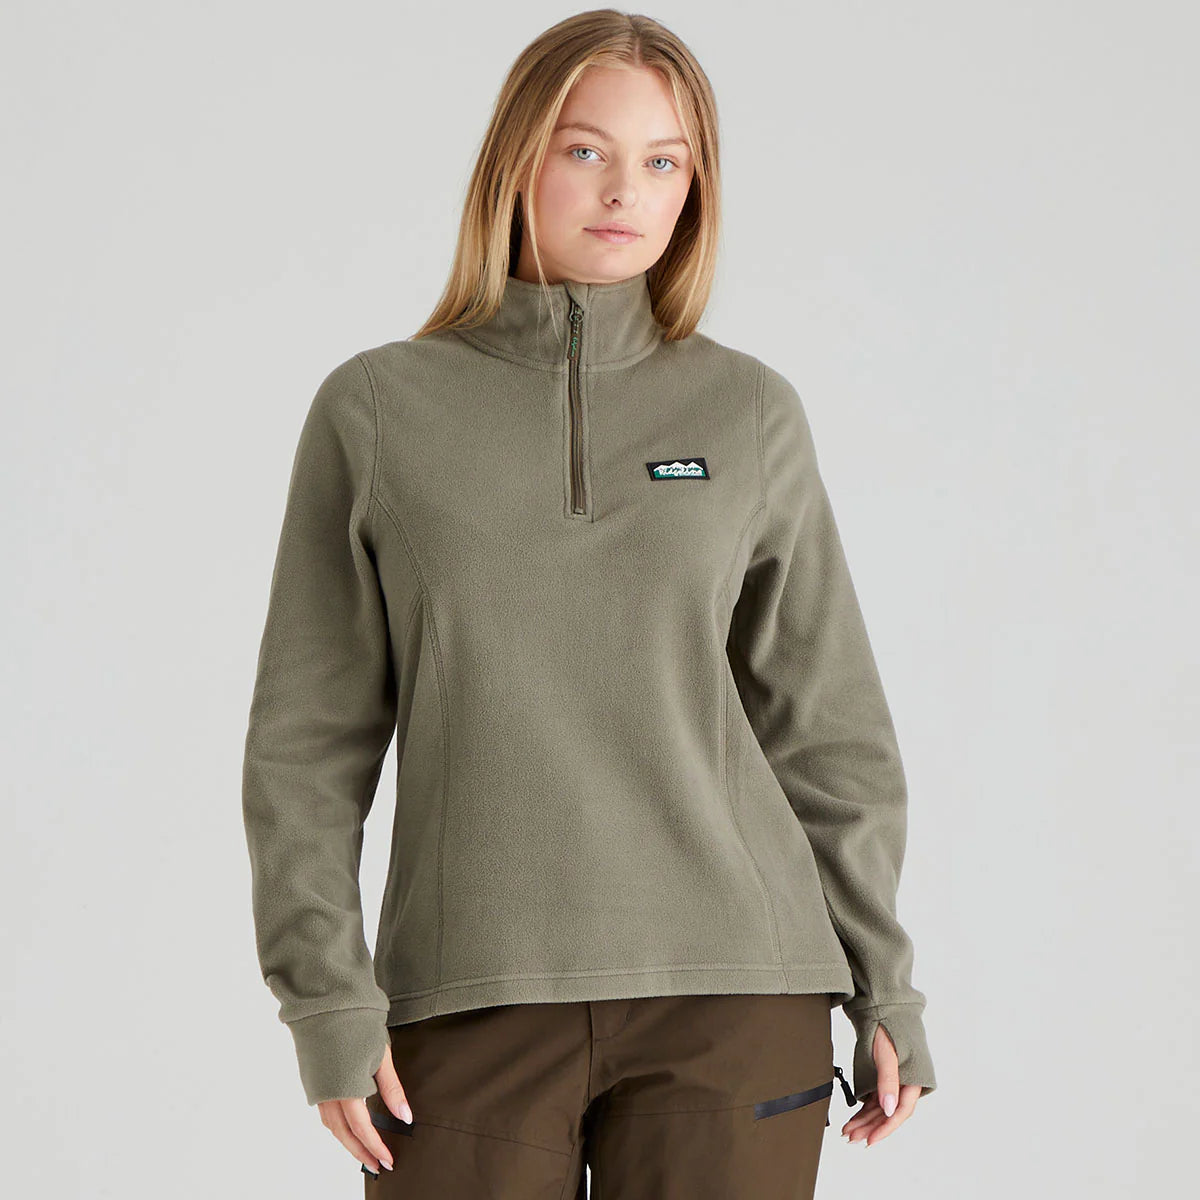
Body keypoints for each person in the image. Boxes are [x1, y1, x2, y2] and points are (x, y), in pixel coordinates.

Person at [241, 9, 937, 1196]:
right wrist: (326, 998)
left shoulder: (748, 412)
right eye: (586, 150)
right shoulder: (377, 411)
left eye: (664, 161)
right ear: (516, 158)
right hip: (467, 998)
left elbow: (828, 732)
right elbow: (305, 747)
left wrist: (886, 986)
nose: (626, 191)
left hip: (737, 991)